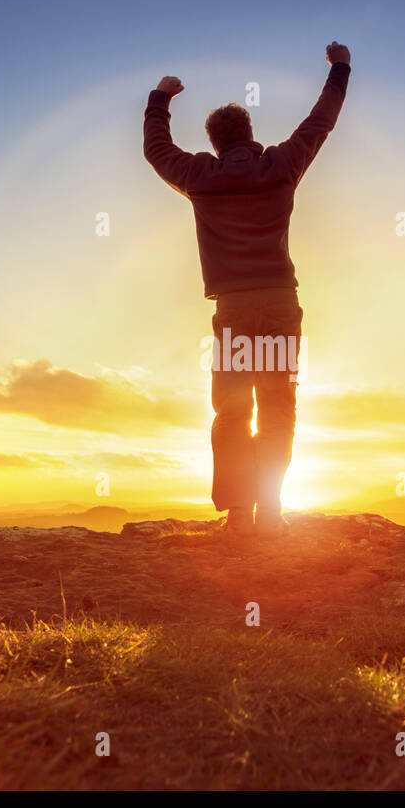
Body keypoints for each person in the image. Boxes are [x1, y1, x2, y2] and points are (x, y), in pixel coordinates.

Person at [144, 42, 351, 537]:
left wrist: (161, 98)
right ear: (250, 135)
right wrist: (340, 68)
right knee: (278, 405)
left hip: (234, 311)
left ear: (215, 142)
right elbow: (320, 121)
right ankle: (271, 512)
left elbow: (156, 150)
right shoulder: (281, 166)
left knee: (234, 407)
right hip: (280, 304)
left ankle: (239, 514)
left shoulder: (201, 176)